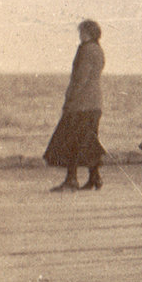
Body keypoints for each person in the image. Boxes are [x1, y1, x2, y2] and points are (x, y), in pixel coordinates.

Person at [42, 19, 106, 191]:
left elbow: (80, 79)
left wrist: (69, 100)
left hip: (81, 104)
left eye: (82, 32)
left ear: (89, 33)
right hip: (95, 103)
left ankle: (71, 180)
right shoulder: (98, 50)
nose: (80, 35)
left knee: (72, 141)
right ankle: (95, 178)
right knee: (89, 140)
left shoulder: (85, 50)